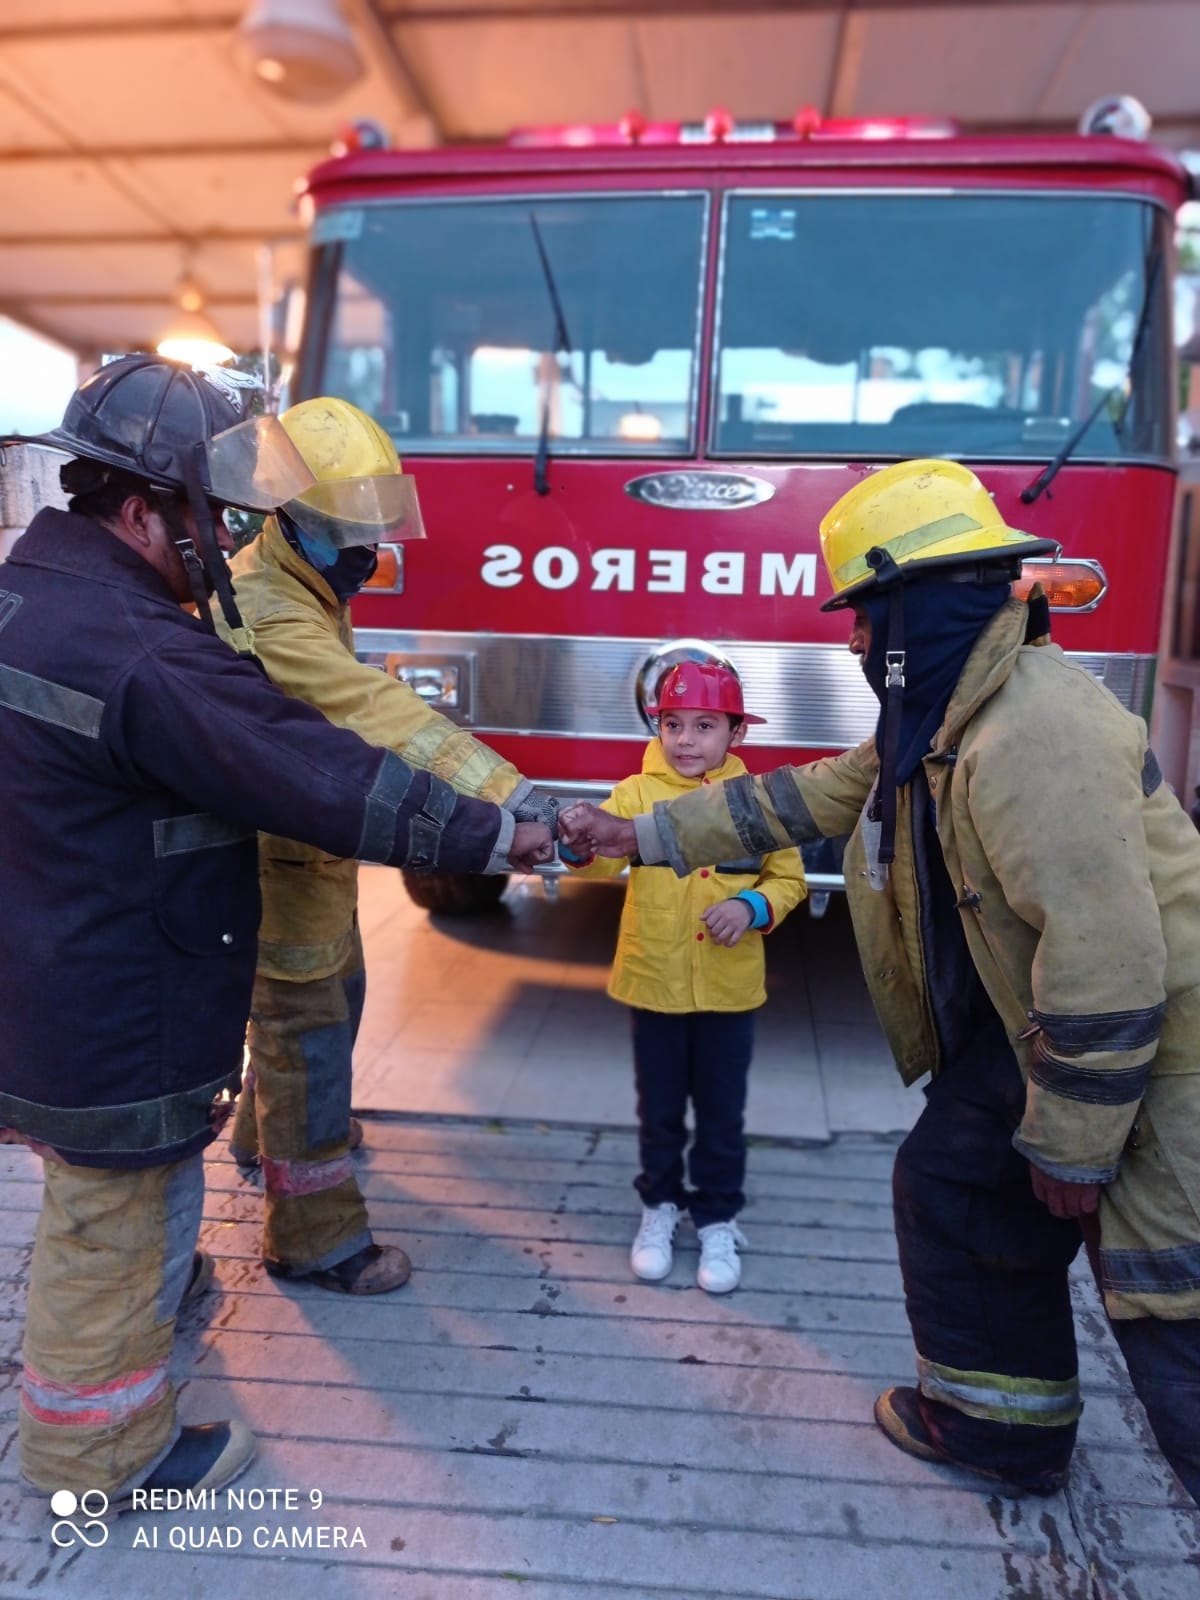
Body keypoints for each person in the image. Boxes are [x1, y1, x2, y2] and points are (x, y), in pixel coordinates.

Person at [560, 458, 1200, 1505]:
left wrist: (1078, 1148)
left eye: (865, 615)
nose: (854, 641)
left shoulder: (1034, 730)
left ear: (920, 606)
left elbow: (1110, 958)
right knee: (955, 1182)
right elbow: (793, 805)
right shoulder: (949, 716)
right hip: (1034, 1036)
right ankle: (1000, 1428)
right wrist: (637, 833)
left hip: (1155, 1069)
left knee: (1174, 1316)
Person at [0, 354, 553, 1506]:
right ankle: (102, 1457)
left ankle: (136, 1336)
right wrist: (507, 832)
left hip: (60, 960)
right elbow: (320, 762)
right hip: (117, 988)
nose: (227, 547)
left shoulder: (36, 596)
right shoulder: (147, 645)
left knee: (111, 1208)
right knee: (117, 1215)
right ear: (144, 508)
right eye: (215, 519)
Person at [218, 396, 554, 1295]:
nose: (368, 554)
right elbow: (378, 714)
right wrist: (511, 797)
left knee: (332, 997)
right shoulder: (271, 610)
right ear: (289, 519)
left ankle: (262, 1133)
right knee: (306, 1030)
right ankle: (316, 1237)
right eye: (348, 533)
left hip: (307, 855)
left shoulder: (303, 581)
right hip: (276, 865)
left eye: (374, 531)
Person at [559, 663, 805, 1293]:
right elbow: (595, 872)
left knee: (722, 1112)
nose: (686, 739)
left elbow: (789, 879)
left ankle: (718, 1216)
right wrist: (580, 844)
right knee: (661, 1109)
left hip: (728, 991)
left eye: (704, 725)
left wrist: (751, 906)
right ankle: (659, 1208)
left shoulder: (759, 801)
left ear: (735, 735)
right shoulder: (636, 796)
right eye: (673, 724)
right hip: (654, 985)